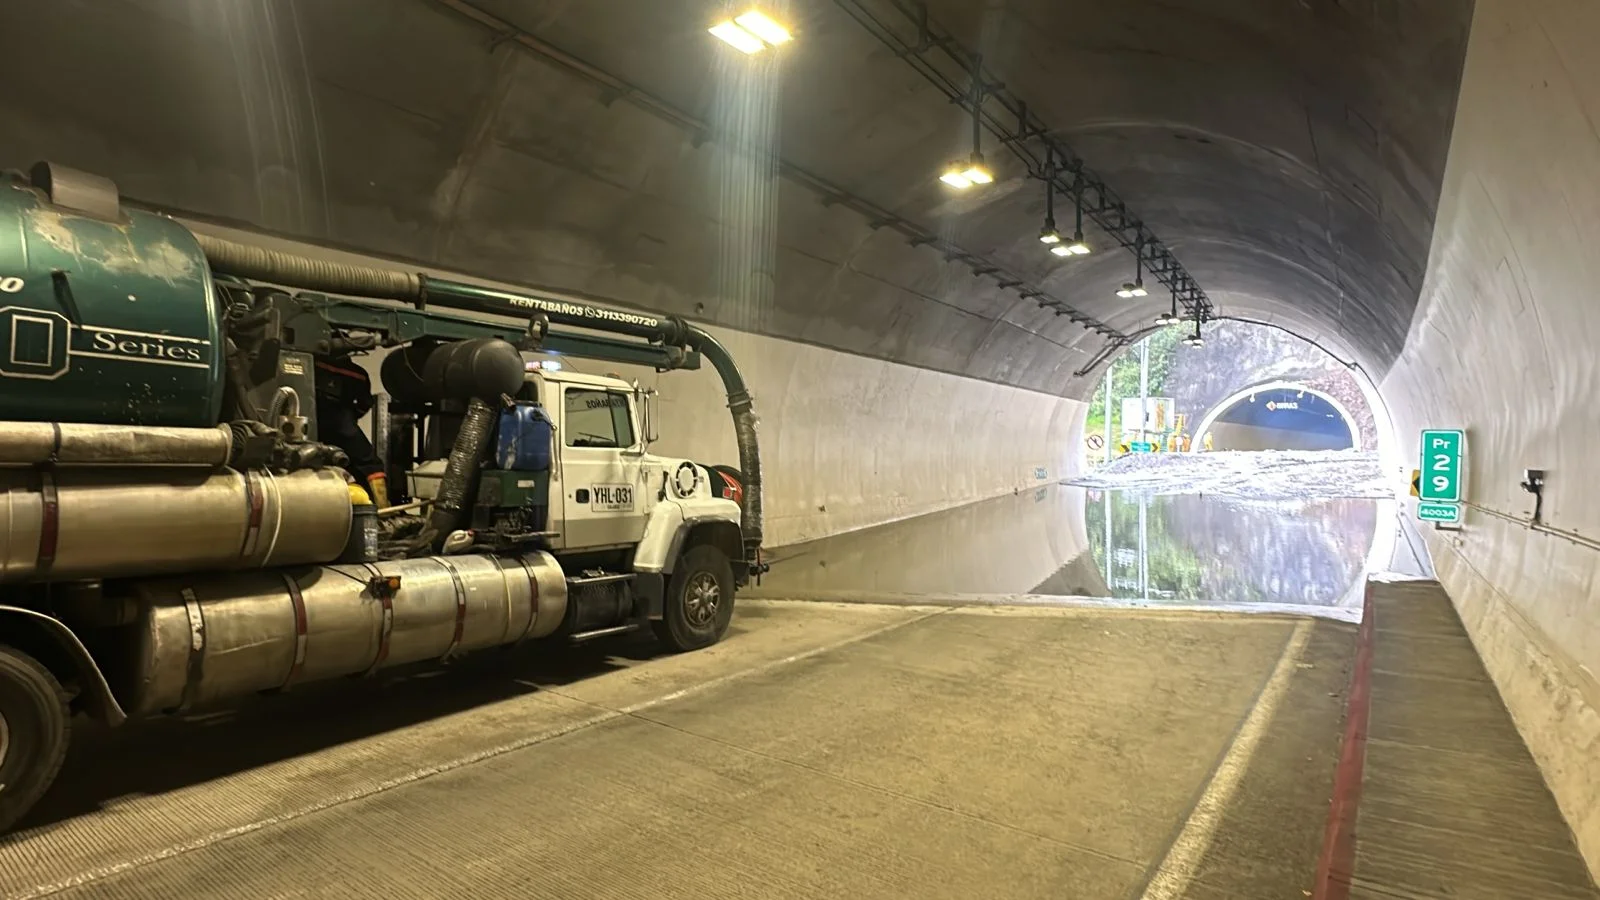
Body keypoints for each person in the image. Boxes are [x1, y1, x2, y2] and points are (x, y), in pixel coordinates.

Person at [315, 354, 390, 507]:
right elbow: (365, 403)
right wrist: (350, 418)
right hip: (344, 424)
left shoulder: (313, 363)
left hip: (312, 423)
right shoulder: (359, 374)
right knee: (371, 465)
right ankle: (382, 508)